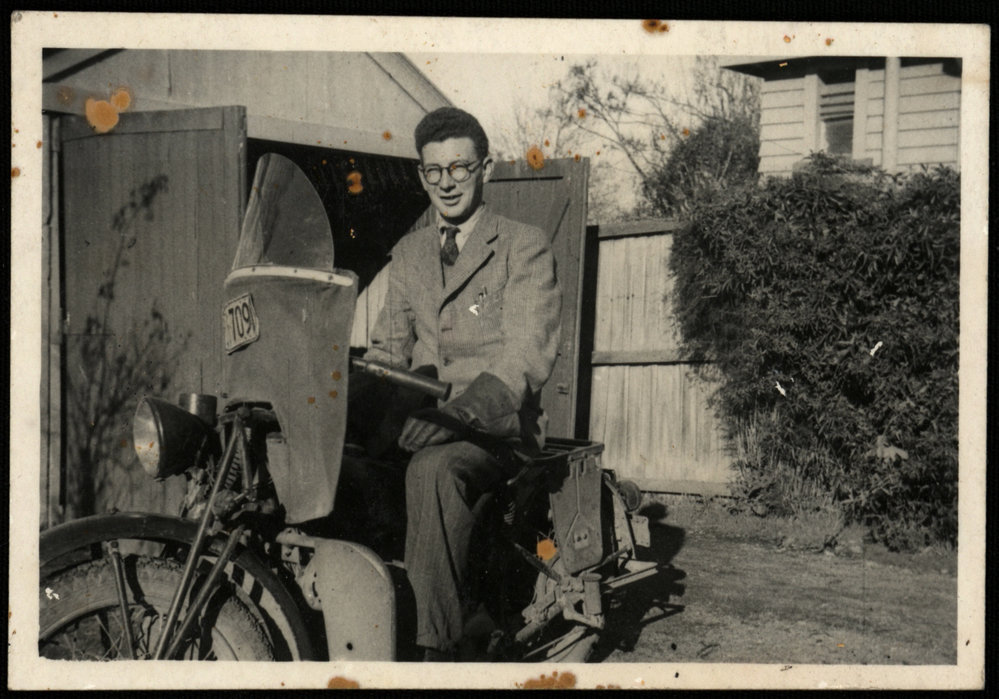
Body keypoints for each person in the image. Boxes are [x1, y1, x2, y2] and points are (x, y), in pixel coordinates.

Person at [361, 107, 562, 660]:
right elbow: (386, 352)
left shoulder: (523, 245)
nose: (446, 183)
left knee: (433, 470)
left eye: (459, 168)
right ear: (421, 175)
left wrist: (456, 415)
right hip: (421, 425)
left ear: (485, 169)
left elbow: (525, 356)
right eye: (434, 171)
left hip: (495, 433)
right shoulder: (409, 254)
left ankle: (438, 653)